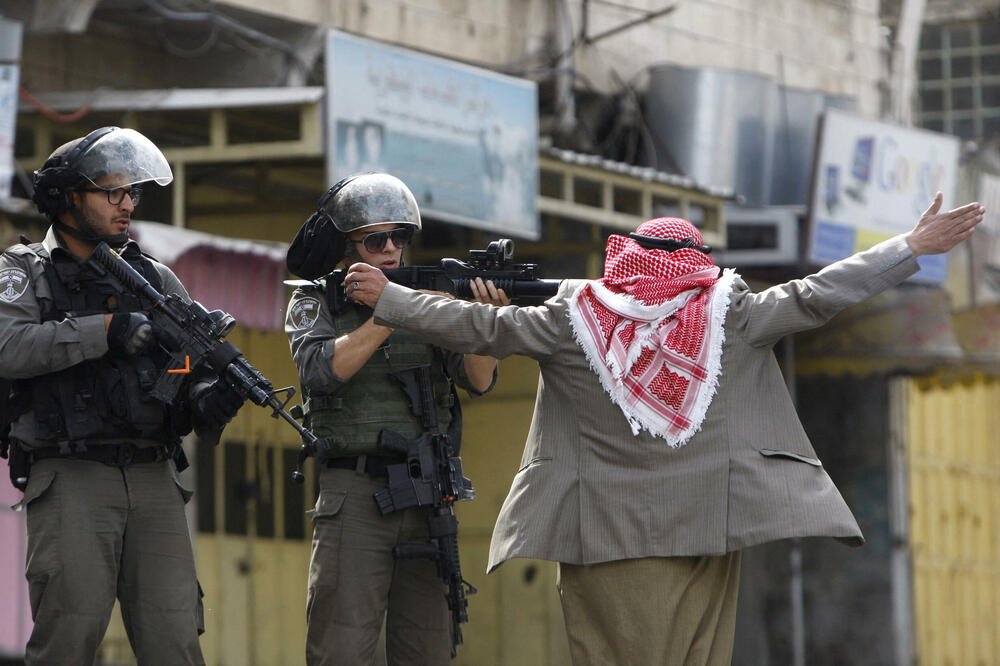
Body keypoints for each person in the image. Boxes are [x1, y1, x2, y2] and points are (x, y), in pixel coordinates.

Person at [345, 194, 985, 665]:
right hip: (709, 528)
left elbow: (476, 327)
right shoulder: (734, 316)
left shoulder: (571, 320)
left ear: (625, 260)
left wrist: (390, 296)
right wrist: (911, 247)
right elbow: (820, 292)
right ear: (698, 265)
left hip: (603, 539)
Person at [0, 126, 246, 665]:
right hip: (71, 473)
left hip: (154, 476)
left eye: (132, 192)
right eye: (112, 192)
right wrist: (104, 330)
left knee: (175, 640)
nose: (127, 204)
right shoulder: (23, 271)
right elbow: (9, 347)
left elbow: (183, 363)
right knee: (68, 639)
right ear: (69, 197)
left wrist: (206, 395)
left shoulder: (153, 277)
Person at [284, 172, 509, 665]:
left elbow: (478, 380)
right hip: (356, 492)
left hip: (428, 494)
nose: (391, 249)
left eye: (399, 237)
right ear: (347, 248)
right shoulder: (315, 298)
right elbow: (323, 371)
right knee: (341, 649)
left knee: (428, 648)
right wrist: (392, 312)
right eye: (375, 240)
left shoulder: (422, 301)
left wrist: (482, 324)